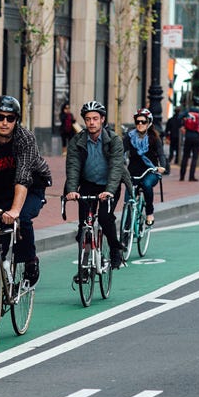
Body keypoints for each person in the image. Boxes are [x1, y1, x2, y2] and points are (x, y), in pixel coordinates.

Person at [0, 96, 51, 322]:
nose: (5, 122)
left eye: (10, 118)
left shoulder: (25, 139)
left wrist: (14, 211)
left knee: (22, 218)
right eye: (0, 117)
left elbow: (23, 178)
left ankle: (31, 261)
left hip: (32, 186)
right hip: (0, 190)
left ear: (16, 120)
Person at [65, 100, 127, 271]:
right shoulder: (77, 141)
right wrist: (71, 190)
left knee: (106, 218)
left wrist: (109, 190)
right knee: (84, 225)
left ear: (102, 120)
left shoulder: (114, 140)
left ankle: (115, 248)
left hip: (109, 186)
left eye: (95, 118)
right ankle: (85, 264)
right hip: (88, 184)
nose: (91, 122)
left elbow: (116, 168)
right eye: (88, 119)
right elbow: (73, 166)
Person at [123, 108, 166, 226]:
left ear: (149, 122)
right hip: (133, 172)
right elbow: (121, 151)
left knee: (147, 185)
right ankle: (126, 232)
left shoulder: (154, 138)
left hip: (150, 171)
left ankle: (149, 213)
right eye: (138, 122)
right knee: (128, 200)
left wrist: (162, 166)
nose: (140, 124)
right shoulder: (129, 137)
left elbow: (161, 154)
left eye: (143, 121)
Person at [179, 100, 199, 182]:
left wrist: (182, 126)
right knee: (195, 157)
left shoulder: (188, 111)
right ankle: (191, 176)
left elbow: (179, 117)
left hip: (188, 135)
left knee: (185, 156)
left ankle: (182, 176)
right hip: (197, 135)